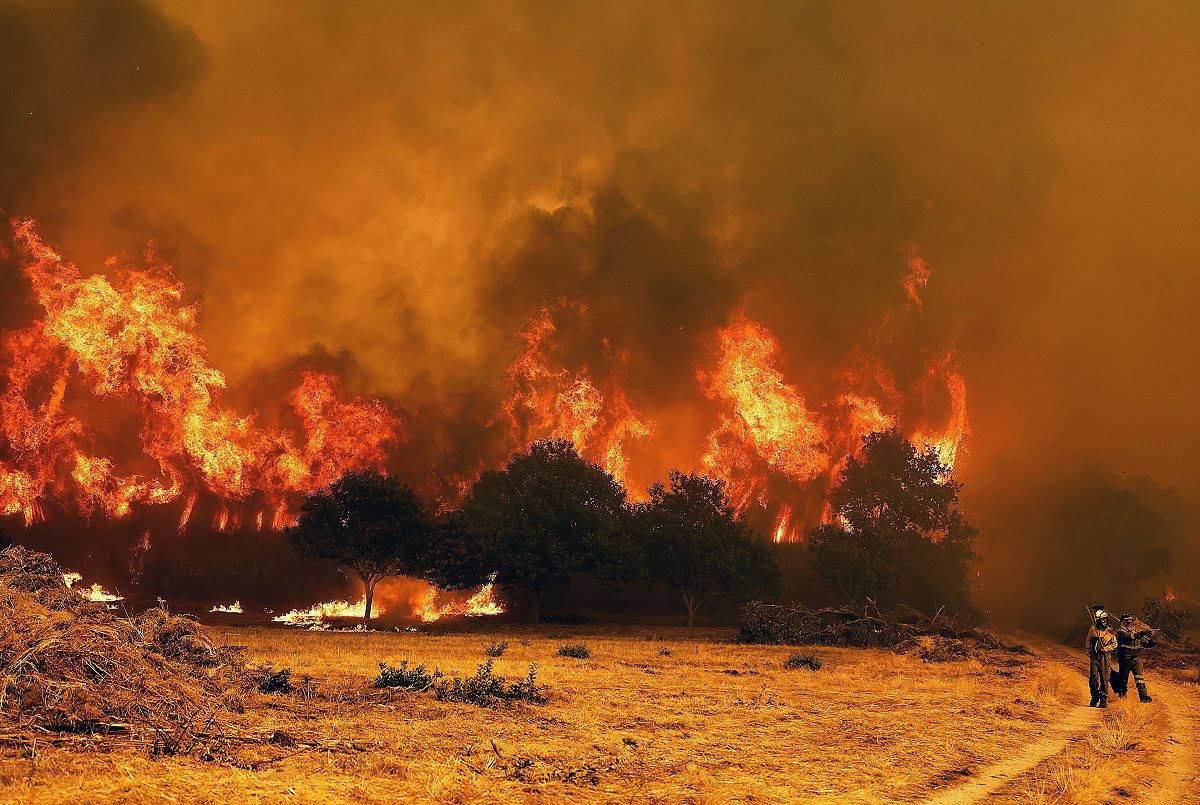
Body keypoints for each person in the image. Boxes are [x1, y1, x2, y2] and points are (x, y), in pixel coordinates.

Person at [1112, 613, 1154, 703]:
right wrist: (1141, 633)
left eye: (1131, 621)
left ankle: (1143, 697)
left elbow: (1144, 643)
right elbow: (1130, 637)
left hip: (1136, 659)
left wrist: (1150, 642)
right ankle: (1122, 697)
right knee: (1123, 679)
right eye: (1128, 622)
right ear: (1123, 623)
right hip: (1125, 659)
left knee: (1139, 678)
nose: (1130, 623)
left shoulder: (1136, 632)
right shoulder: (1121, 632)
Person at [1086, 608, 1117, 708]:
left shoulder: (1110, 631)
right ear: (1098, 620)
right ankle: (1094, 697)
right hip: (1094, 657)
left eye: (1105, 619)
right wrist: (1089, 653)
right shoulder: (1092, 629)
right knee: (1093, 678)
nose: (1104, 621)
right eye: (1102, 619)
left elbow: (1115, 644)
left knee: (1104, 679)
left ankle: (1103, 700)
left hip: (1105, 657)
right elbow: (1088, 642)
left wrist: (1106, 648)